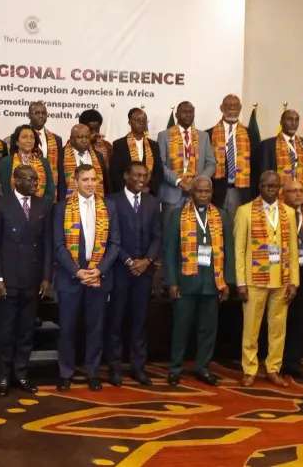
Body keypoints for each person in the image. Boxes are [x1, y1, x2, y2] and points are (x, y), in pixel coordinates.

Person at [54, 164, 120, 391]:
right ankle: (65, 373)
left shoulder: (109, 206)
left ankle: (93, 372)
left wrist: (99, 270)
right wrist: (77, 271)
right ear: (75, 181)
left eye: (93, 179)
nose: (90, 184)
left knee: (95, 328)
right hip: (70, 277)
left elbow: (115, 243)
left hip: (98, 277)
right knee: (67, 329)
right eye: (85, 180)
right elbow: (58, 245)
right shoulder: (62, 207)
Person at [0, 165, 53, 397]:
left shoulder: (43, 205)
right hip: (8, 279)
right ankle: (3, 376)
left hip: (32, 279)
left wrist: (46, 277)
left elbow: (47, 244)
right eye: (29, 179)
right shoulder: (1, 204)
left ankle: (21, 374)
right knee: (6, 331)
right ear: (15, 180)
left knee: (26, 331)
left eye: (36, 180)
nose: (34, 183)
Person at [165, 176, 234, 386]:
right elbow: (170, 251)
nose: (203, 195)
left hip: (212, 282)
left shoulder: (222, 215)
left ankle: (202, 367)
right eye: (199, 191)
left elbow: (229, 250)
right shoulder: (177, 214)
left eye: (207, 191)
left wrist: (227, 282)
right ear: (192, 192)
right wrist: (172, 282)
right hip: (185, 282)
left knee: (208, 330)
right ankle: (175, 368)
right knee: (181, 328)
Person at [234, 171, 299, 387]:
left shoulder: (289, 212)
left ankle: (273, 368)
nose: (271, 190)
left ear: (280, 188)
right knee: (251, 328)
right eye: (267, 186)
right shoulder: (245, 211)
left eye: (275, 186)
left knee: (278, 328)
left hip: (281, 278)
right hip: (254, 279)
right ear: (260, 187)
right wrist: (241, 282)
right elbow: (239, 250)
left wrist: (294, 281)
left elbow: (293, 249)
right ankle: (249, 369)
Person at [106, 161, 162, 386]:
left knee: (140, 321)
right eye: (137, 175)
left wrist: (147, 261)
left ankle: (138, 367)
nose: (141, 179)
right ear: (126, 176)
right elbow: (110, 237)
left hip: (144, 273)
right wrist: (129, 261)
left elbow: (157, 236)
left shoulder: (153, 202)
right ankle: (115, 368)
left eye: (144, 175)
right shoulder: (112, 201)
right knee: (116, 320)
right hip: (120, 270)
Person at [281, 179, 303, 379]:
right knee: (280, 319)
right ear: (283, 194)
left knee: (299, 319)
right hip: (283, 273)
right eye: (293, 191)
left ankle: (293, 362)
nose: (298, 194)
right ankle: (276, 361)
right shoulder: (278, 214)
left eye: (302, 190)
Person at [157, 101, 216, 215]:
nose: (188, 115)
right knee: (170, 225)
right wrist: (178, 181)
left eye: (191, 112)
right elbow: (160, 164)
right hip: (172, 194)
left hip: (196, 193)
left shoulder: (203, 136)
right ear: (176, 115)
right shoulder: (164, 135)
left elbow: (211, 163)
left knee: (194, 226)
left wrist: (197, 182)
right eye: (184, 112)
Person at [207, 94, 253, 213]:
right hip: (216, 192)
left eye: (235, 105)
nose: (232, 108)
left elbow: (255, 164)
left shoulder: (251, 134)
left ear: (240, 108)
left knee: (237, 224)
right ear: (221, 108)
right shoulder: (208, 134)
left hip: (242, 191)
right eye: (228, 105)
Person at [258, 109, 303, 201]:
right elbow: (264, 174)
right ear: (281, 122)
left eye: (296, 120)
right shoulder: (268, 145)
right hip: (277, 197)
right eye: (289, 119)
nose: (293, 123)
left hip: (301, 196)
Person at [10, 101, 63, 197]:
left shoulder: (56, 139)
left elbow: (59, 169)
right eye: (37, 113)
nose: (41, 116)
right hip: (22, 191)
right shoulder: (17, 136)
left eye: (43, 113)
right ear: (29, 115)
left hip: (48, 194)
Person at [109, 108, 162, 195]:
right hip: (126, 194)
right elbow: (115, 173)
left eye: (144, 120)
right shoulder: (119, 144)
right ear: (129, 122)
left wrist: (150, 188)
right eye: (138, 120)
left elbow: (158, 171)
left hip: (148, 193)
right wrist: (129, 190)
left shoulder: (154, 145)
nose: (141, 123)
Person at [0, 125, 55, 204]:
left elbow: (50, 191)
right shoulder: (6, 162)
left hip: (40, 208)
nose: (29, 140)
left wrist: (41, 207)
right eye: (24, 137)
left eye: (32, 137)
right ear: (17, 142)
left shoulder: (44, 163)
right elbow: (4, 189)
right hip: (12, 207)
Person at [58, 124, 109, 200]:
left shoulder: (98, 156)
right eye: (80, 137)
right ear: (71, 139)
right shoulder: (60, 156)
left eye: (87, 137)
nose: (84, 140)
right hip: (68, 202)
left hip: (95, 202)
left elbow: (106, 184)